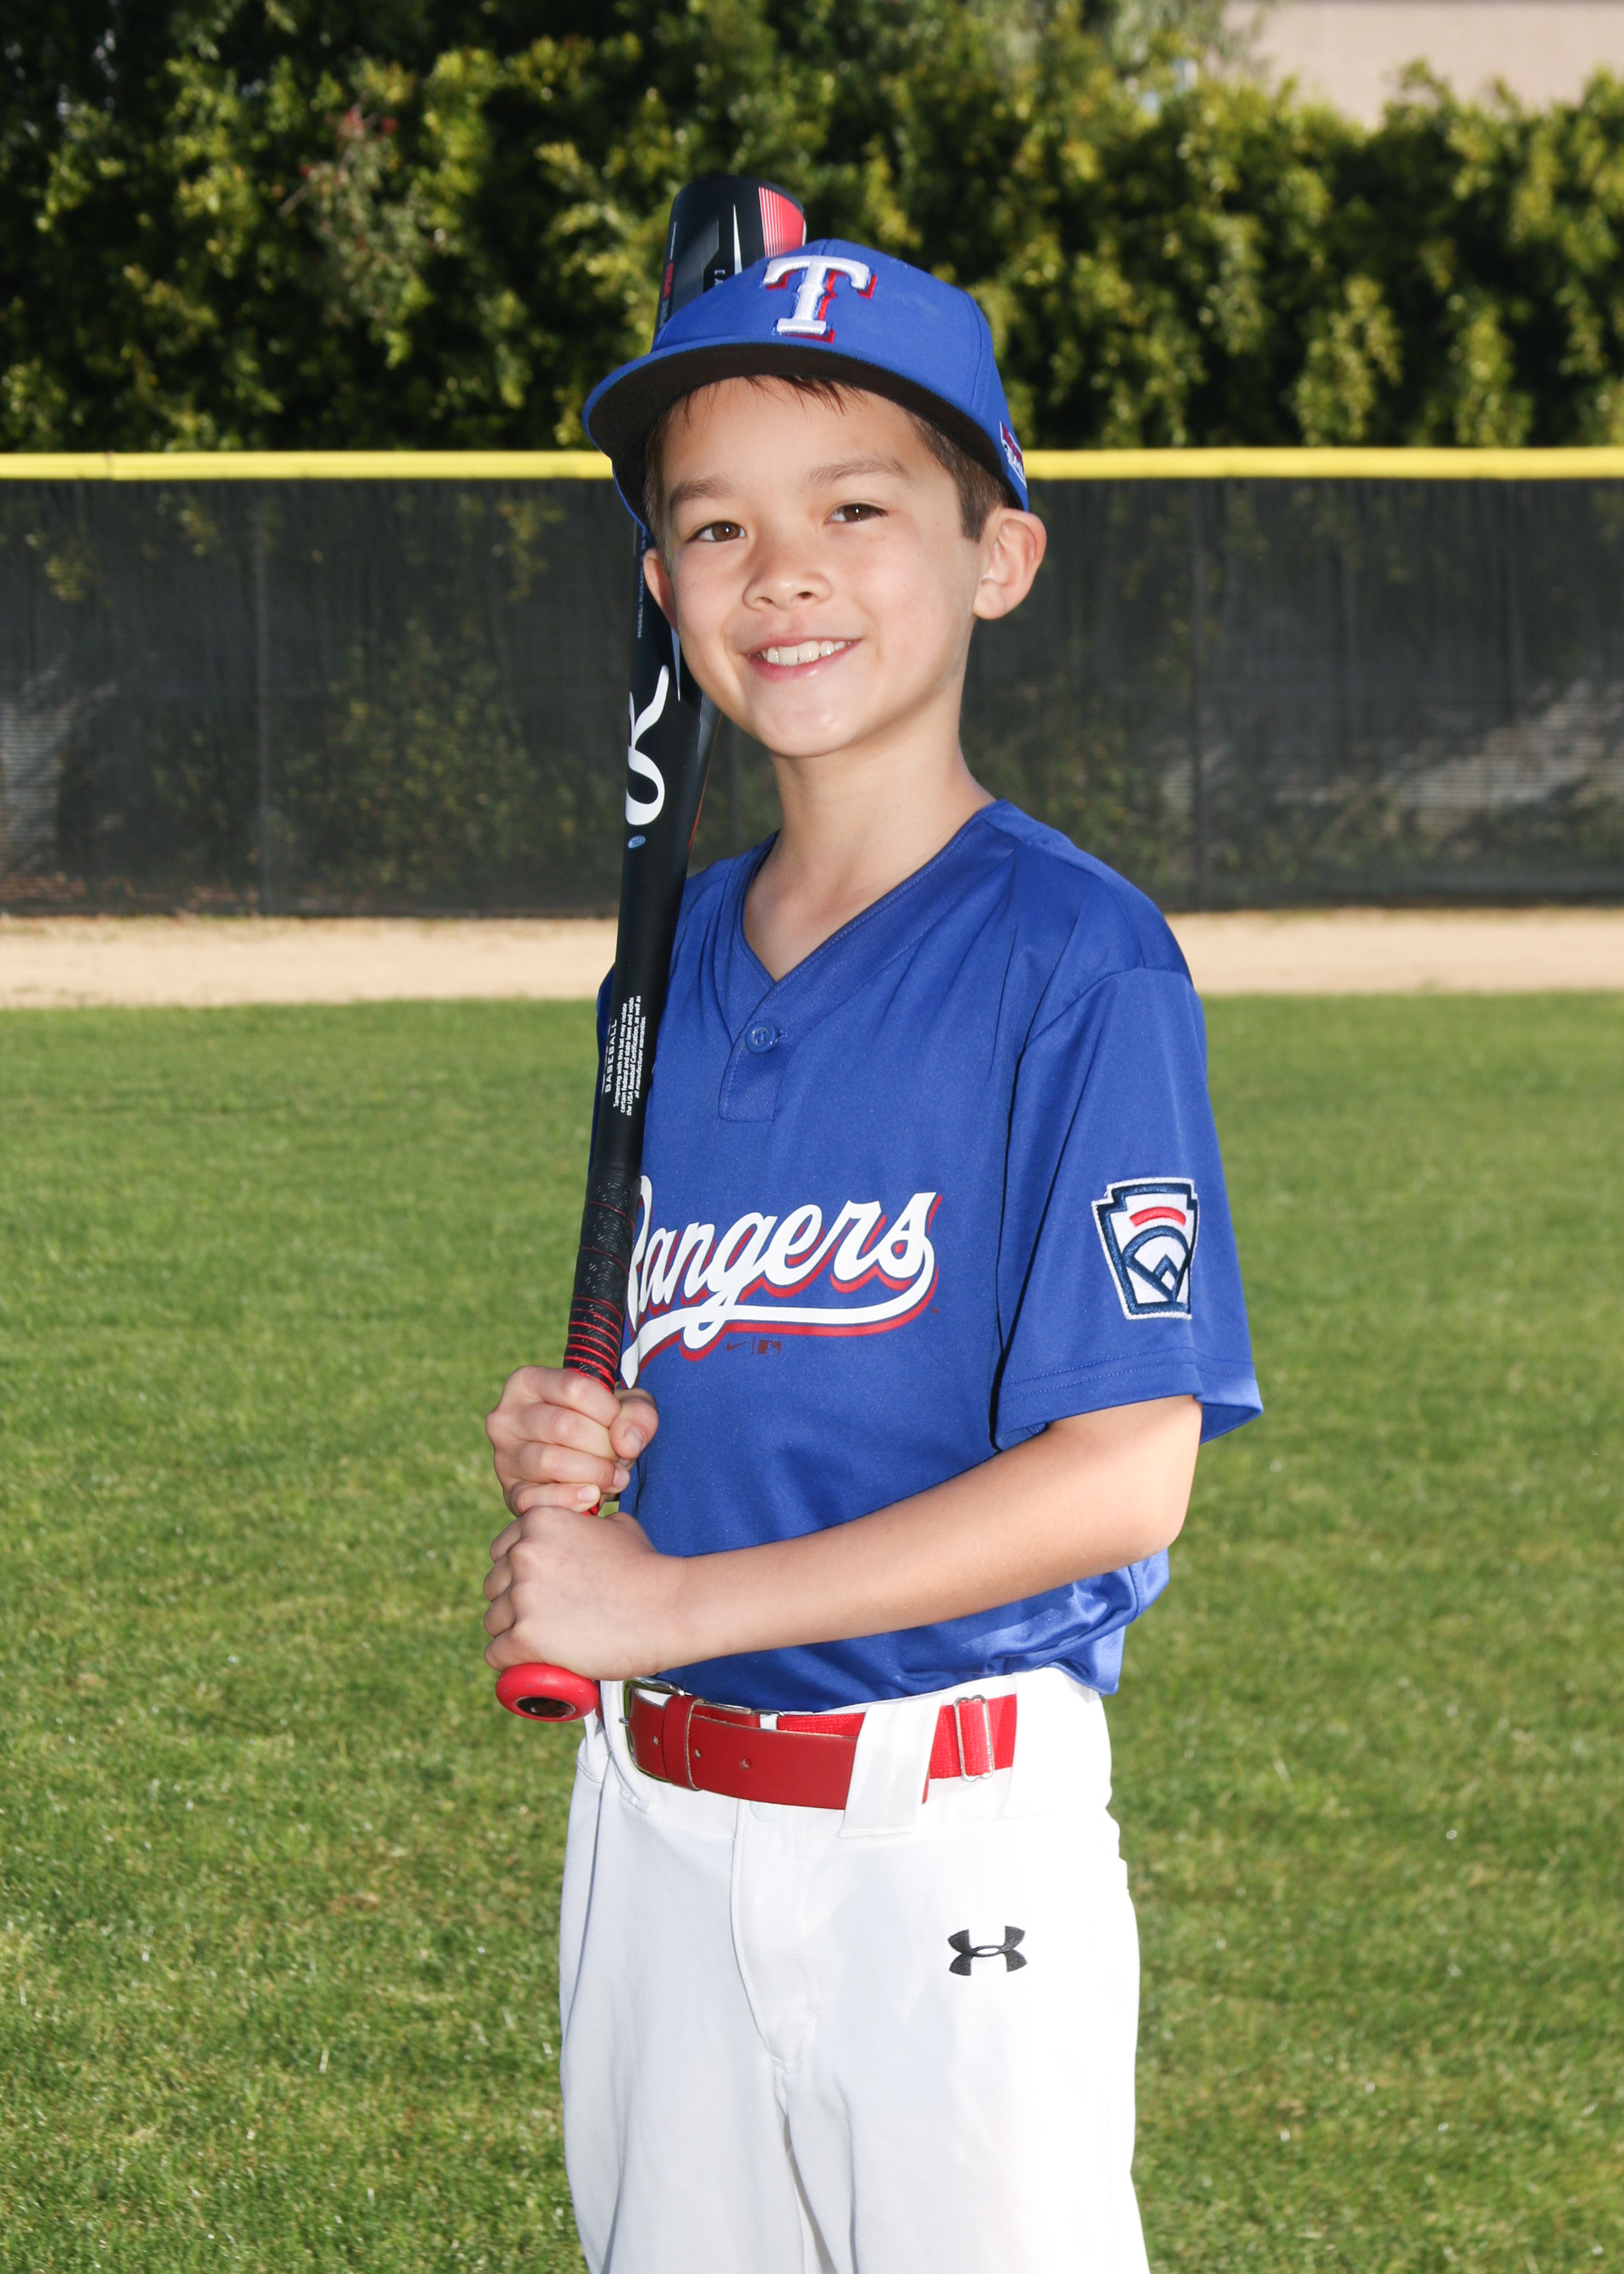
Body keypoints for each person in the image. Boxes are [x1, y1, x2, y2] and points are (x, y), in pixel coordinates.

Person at [482, 241, 1261, 2274]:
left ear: (997, 554)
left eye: (853, 509)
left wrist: (669, 1595)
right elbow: (729, 1344)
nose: (782, 573)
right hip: (654, 1829)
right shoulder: (666, 961)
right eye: (715, 525)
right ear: (661, 589)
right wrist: (586, 1430)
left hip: (945, 1833)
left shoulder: (1074, 959)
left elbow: (1124, 1470)